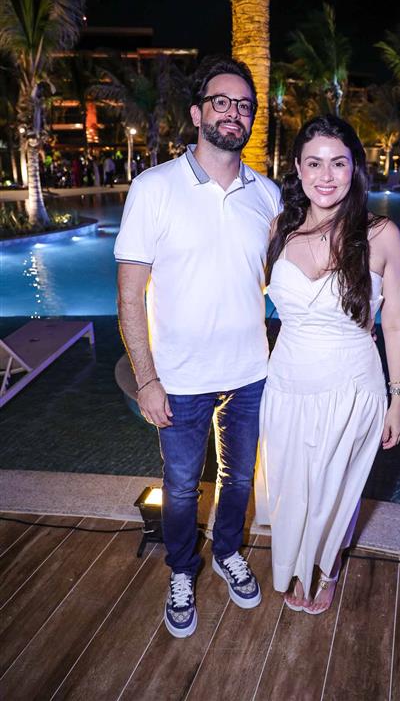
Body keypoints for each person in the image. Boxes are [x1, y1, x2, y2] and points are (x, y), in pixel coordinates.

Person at [114, 55, 281, 639]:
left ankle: (228, 551)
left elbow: (279, 280)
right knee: (182, 487)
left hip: (250, 372)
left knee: (239, 482)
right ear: (197, 112)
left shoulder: (268, 195)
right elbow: (129, 295)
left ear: (252, 118)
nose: (233, 113)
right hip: (180, 378)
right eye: (221, 102)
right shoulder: (154, 188)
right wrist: (147, 379)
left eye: (244, 106)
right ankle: (183, 570)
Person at [256, 114, 400, 614]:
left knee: (334, 489)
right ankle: (296, 563)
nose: (326, 175)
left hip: (351, 385)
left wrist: (397, 398)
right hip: (287, 382)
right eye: (315, 163)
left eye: (338, 163)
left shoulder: (381, 234)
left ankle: (326, 568)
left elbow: (395, 324)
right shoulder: (279, 229)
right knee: (291, 485)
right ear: (297, 168)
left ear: (354, 168)